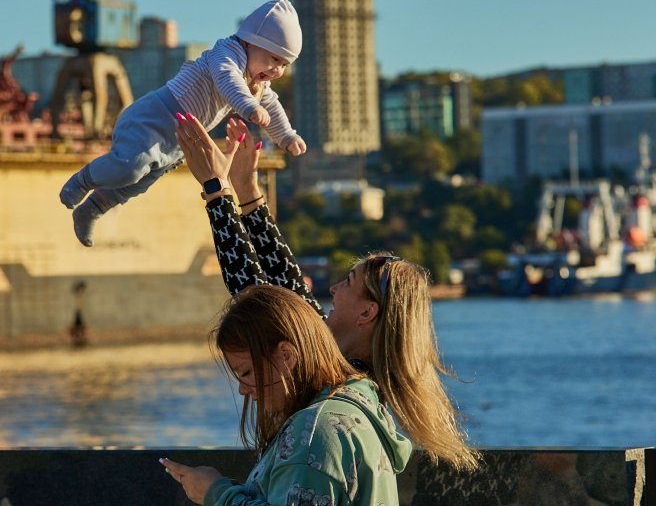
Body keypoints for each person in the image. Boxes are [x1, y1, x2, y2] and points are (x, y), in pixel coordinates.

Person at [175, 115, 482, 472]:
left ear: (367, 313)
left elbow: (260, 304)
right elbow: (287, 293)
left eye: (347, 283)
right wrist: (247, 193)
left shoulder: (337, 381)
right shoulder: (355, 373)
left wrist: (216, 192)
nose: (333, 289)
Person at [59, 0, 307, 247]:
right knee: (129, 168)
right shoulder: (226, 53)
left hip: (177, 140)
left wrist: (286, 135)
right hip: (154, 118)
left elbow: (271, 105)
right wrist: (249, 106)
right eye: (274, 59)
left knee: (136, 184)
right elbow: (227, 80)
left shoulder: (256, 82)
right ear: (250, 41)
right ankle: (81, 181)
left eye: (284, 65)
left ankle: (91, 209)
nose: (277, 70)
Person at [160, 284, 412, 505]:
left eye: (246, 372)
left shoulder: (315, 431)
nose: (242, 389)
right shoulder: (357, 408)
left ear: (287, 356)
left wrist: (216, 494)